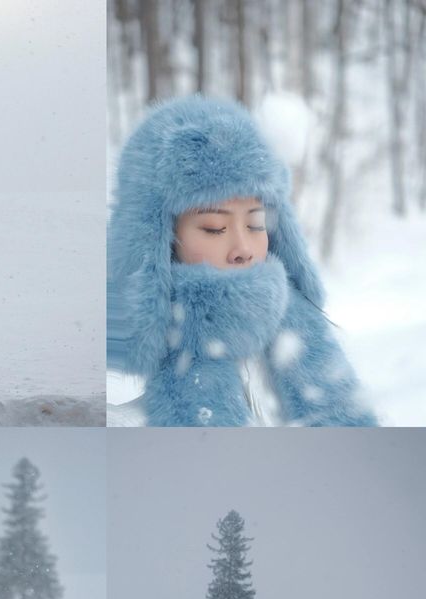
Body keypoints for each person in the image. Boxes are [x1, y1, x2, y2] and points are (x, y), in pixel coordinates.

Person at [107, 95, 378, 427]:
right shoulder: (123, 419)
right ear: (160, 243)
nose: (244, 248)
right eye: (214, 228)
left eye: (255, 224)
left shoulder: (302, 344)